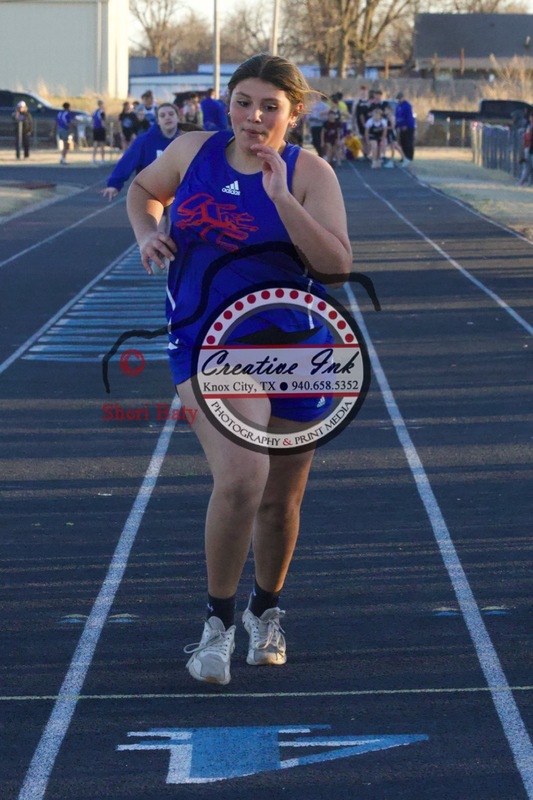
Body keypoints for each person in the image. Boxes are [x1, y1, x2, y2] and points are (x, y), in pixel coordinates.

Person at [126, 54, 352, 686]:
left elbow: (335, 266)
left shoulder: (312, 174)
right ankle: (217, 624)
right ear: (227, 104)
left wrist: (281, 196)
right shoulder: (193, 151)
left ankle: (265, 609)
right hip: (206, 340)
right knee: (242, 474)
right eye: (243, 102)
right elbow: (145, 191)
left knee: (281, 501)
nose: (254, 116)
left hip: (294, 346)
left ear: (294, 113)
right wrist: (147, 233)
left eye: (269, 106)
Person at [102, 103, 187, 201]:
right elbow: (127, 161)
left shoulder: (187, 141)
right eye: (162, 115)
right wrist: (114, 184)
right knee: (158, 216)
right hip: (151, 192)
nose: (167, 117)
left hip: (178, 193)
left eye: (171, 114)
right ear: (158, 121)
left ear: (178, 118)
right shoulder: (144, 141)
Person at [395, 92, 415, 162]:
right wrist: (397, 125)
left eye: (400, 98)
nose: (399, 100)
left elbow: (409, 117)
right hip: (401, 127)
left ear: (403, 97)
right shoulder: (398, 106)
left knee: (408, 142)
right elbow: (397, 116)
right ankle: (404, 156)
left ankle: (409, 156)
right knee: (402, 142)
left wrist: (406, 125)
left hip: (408, 127)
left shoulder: (407, 105)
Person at [92, 99, 107, 164]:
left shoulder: (95, 112)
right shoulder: (102, 112)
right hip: (100, 129)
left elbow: (93, 121)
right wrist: (105, 128)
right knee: (102, 144)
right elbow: (102, 121)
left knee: (95, 144)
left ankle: (94, 159)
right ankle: (102, 159)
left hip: (95, 129)